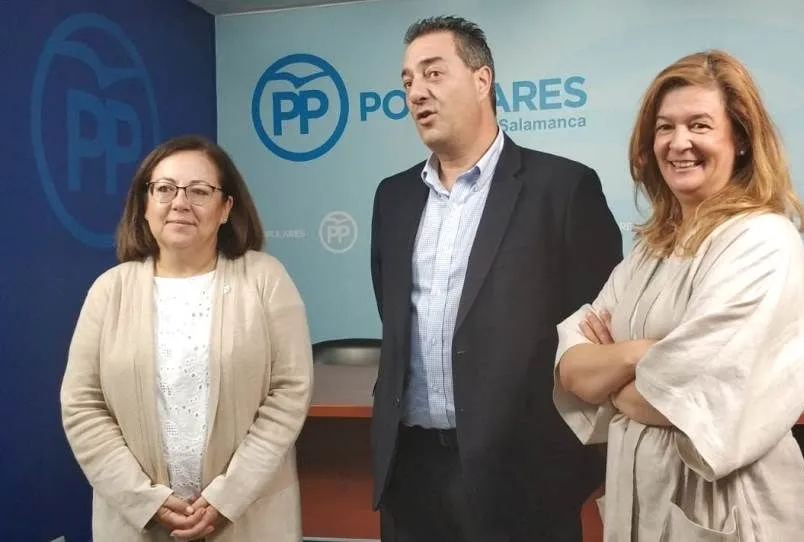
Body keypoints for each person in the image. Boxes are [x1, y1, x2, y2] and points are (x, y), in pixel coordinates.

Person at [554, 49, 804, 541]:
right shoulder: (651, 250)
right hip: (641, 499)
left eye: (699, 125)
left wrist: (614, 376)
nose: (678, 142)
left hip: (729, 510)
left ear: (740, 139)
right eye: (665, 127)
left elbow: (677, 401)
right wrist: (645, 354)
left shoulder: (761, 241)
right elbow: (572, 369)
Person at [369, 15, 624, 542]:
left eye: (433, 73)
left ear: (482, 79)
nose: (417, 92)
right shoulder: (393, 198)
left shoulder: (563, 189)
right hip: (412, 473)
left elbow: (598, 335)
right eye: (408, 81)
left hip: (524, 476)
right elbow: (393, 322)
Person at [60, 135, 313, 542]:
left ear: (226, 207)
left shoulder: (265, 279)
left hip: (248, 518)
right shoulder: (109, 291)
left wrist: (227, 497)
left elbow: (289, 392)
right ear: (145, 205)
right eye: (165, 189)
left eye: (199, 191)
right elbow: (82, 405)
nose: (180, 203)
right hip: (136, 521)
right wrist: (144, 500)